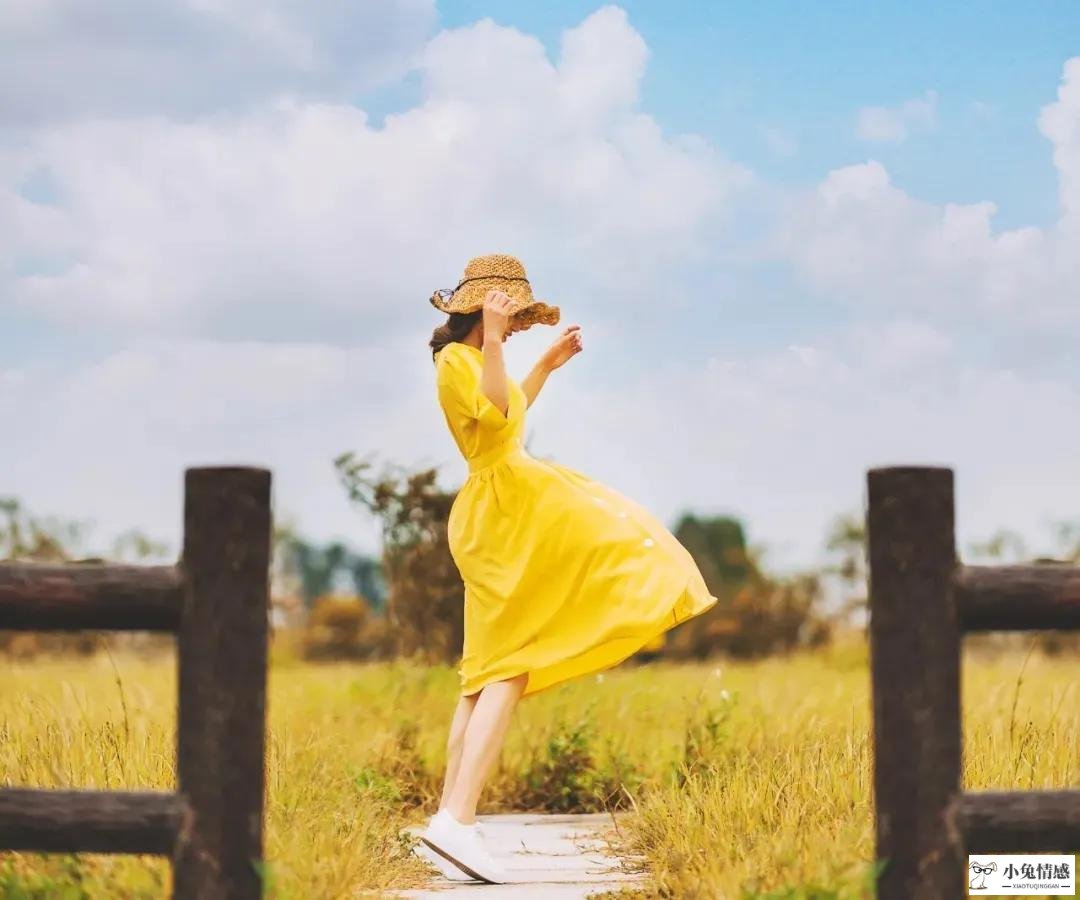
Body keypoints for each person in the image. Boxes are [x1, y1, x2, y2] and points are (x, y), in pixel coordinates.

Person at [416, 253, 719, 884]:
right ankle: (457, 821)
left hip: (512, 503)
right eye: (509, 313)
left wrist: (545, 366)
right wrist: (498, 343)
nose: (517, 324)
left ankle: (448, 817)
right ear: (481, 307)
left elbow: (509, 417)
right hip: (501, 513)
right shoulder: (455, 360)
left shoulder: (478, 359)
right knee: (507, 668)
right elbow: (493, 418)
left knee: (483, 676)